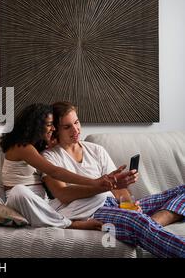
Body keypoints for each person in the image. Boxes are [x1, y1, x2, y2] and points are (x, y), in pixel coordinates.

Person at [41, 101, 184, 257]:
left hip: (116, 205)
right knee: (137, 221)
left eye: (76, 122)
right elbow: (62, 193)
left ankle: (152, 222)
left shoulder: (96, 150)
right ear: (56, 130)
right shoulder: (49, 157)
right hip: (93, 211)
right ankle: (142, 224)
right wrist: (104, 186)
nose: (75, 130)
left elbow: (118, 188)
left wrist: (128, 205)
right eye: (67, 127)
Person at [1, 103, 137, 230]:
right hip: (21, 201)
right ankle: (71, 223)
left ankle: (59, 218)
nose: (53, 128)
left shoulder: (37, 145)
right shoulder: (21, 147)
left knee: (100, 196)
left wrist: (105, 188)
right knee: (18, 191)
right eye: (49, 125)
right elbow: (55, 171)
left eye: (54, 126)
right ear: (36, 126)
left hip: (44, 203)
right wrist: (95, 182)